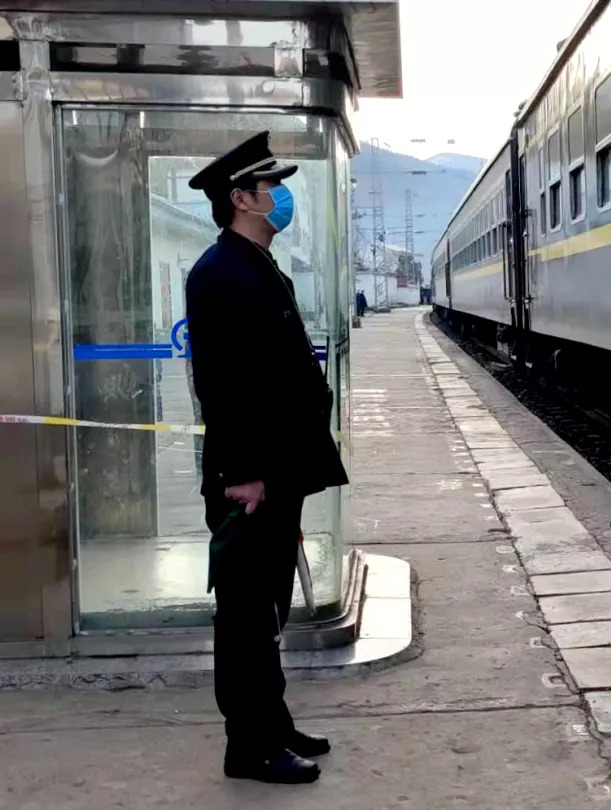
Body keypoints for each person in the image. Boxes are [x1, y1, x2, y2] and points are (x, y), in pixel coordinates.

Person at [185, 131, 348, 784]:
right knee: (246, 617)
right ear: (241, 199)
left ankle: (272, 723)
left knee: (268, 611)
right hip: (250, 480)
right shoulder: (219, 274)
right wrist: (244, 474)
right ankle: (248, 747)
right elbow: (223, 385)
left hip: (278, 473)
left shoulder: (255, 265)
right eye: (271, 186)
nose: (281, 196)